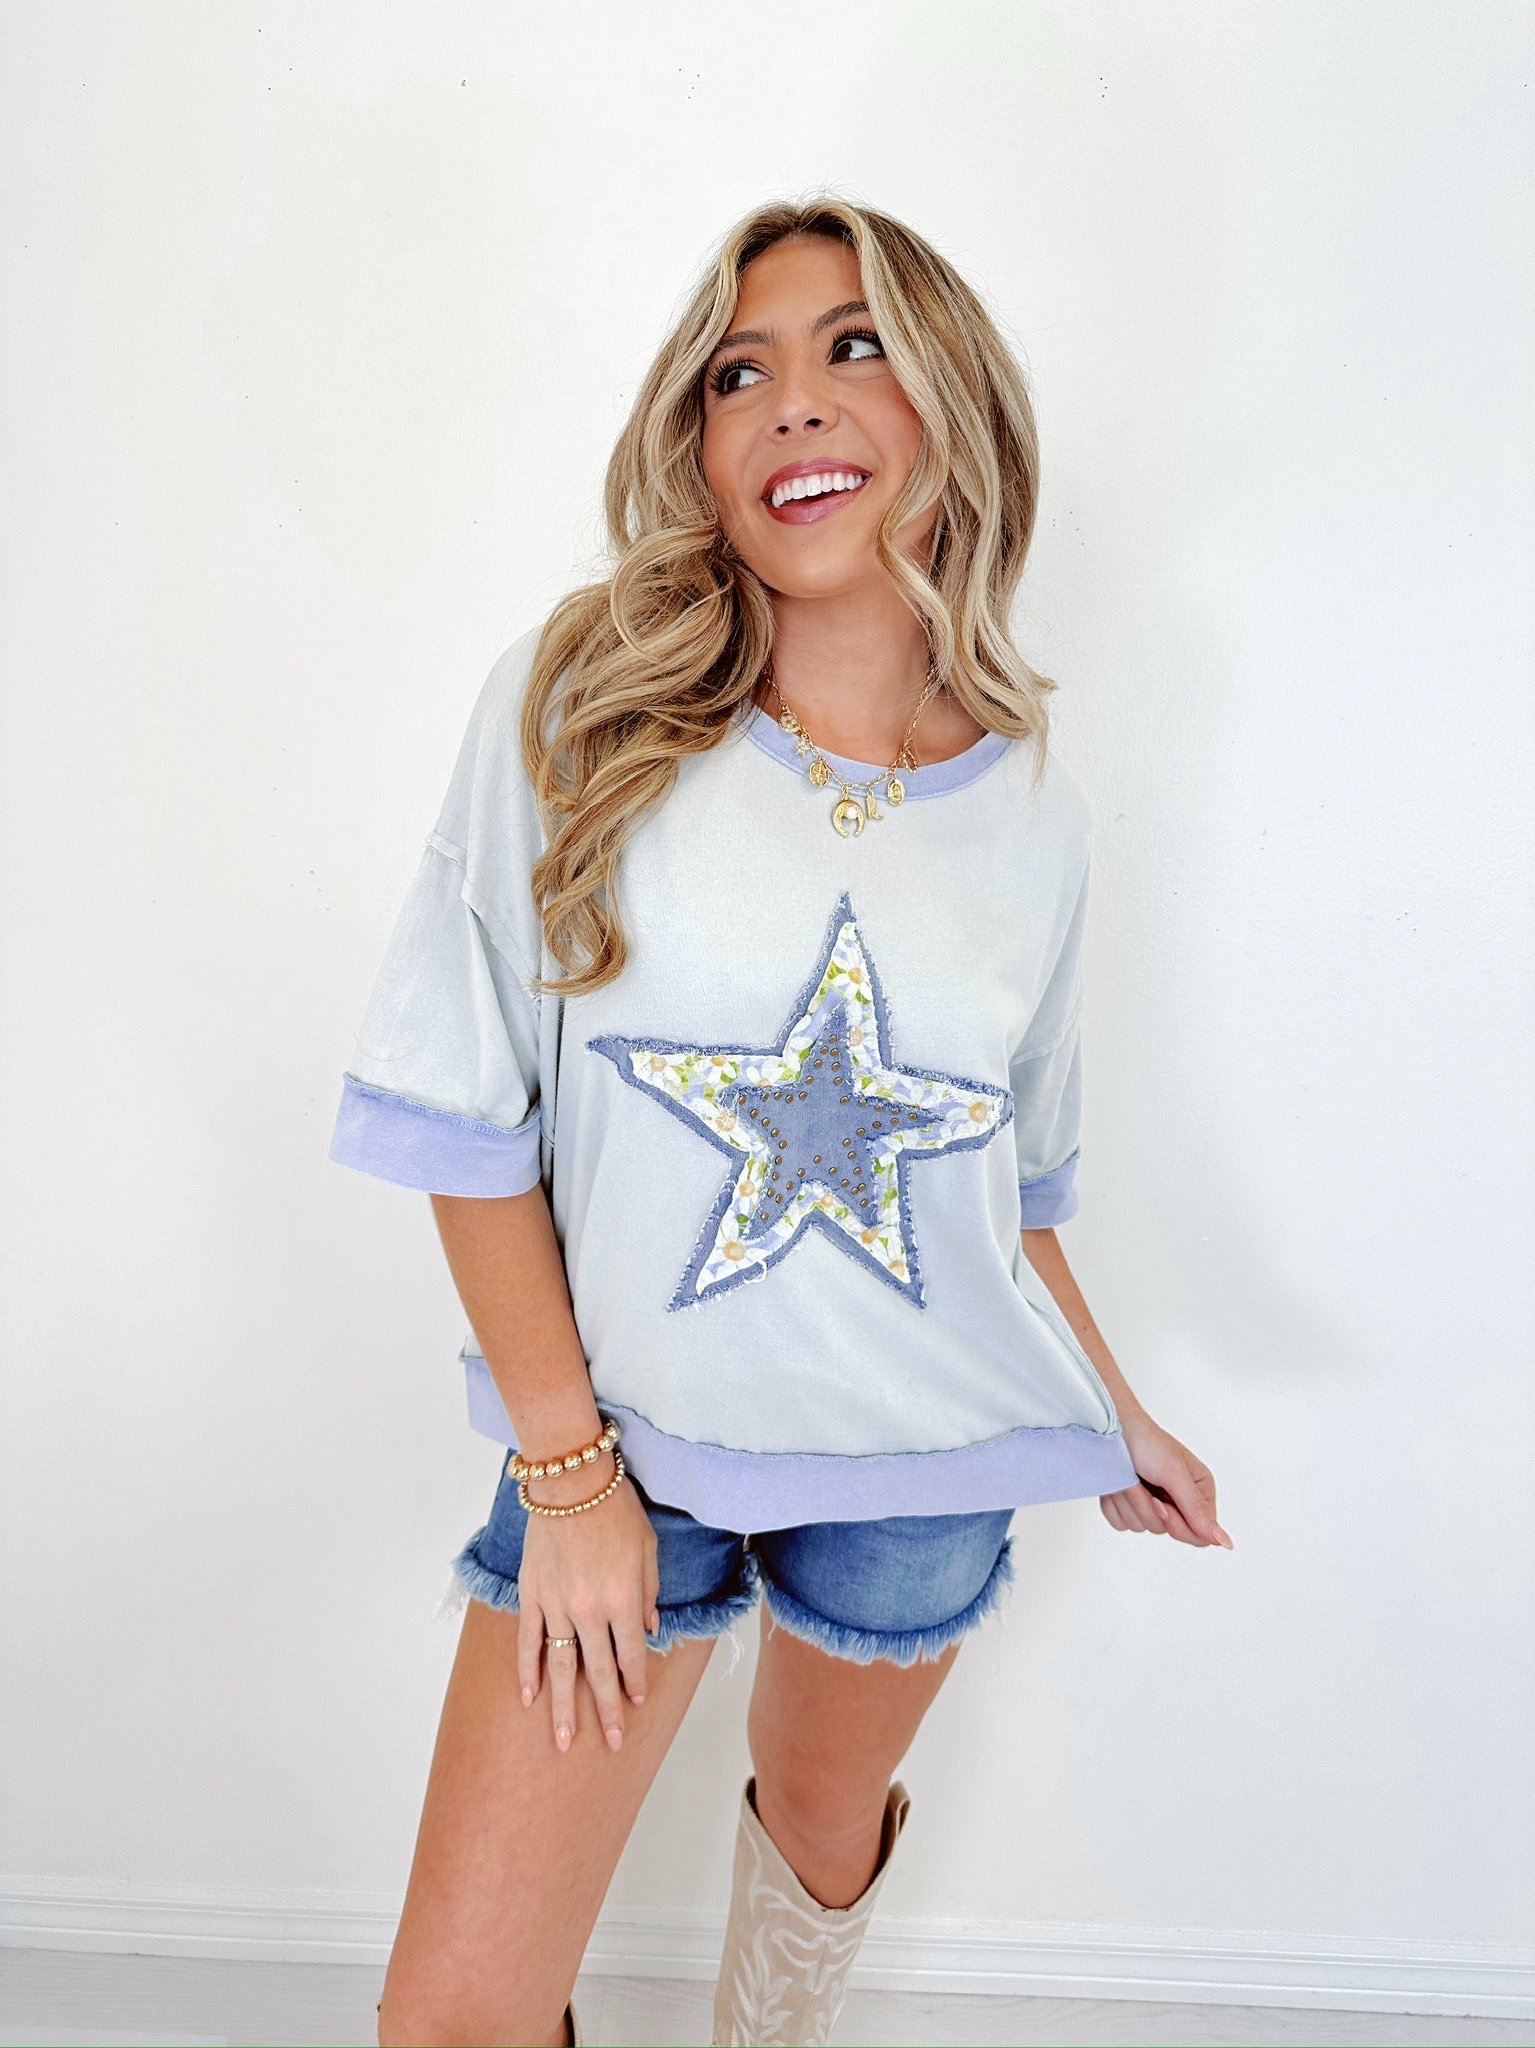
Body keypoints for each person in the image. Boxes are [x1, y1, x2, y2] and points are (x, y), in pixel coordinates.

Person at [328, 195, 1233, 2048]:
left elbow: (999, 1187)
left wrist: (1111, 1406)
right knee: (456, 2017)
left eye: (855, 347)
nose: (794, 402)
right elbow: (463, 1112)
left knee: (820, 1822)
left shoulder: (1038, 816)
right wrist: (571, 1479)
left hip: (929, 1459)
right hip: (620, 1457)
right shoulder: (585, 704)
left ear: (954, 408)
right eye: (740, 373)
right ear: (699, 440)